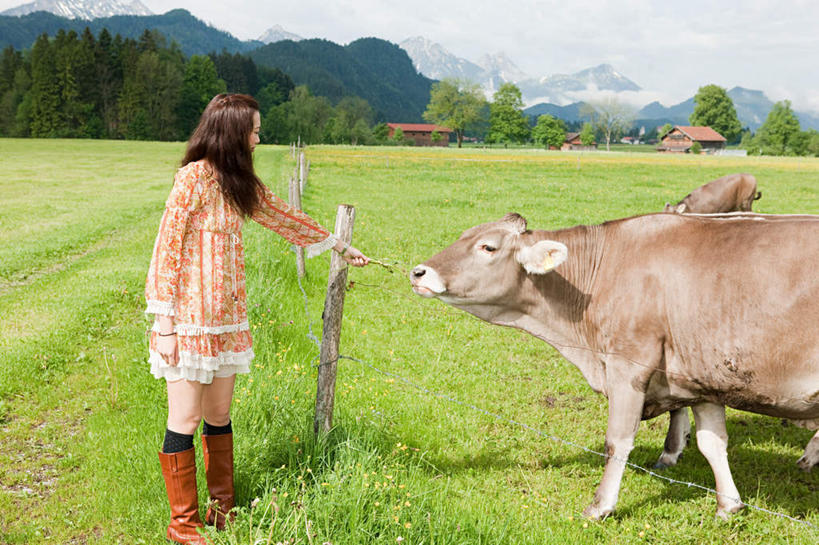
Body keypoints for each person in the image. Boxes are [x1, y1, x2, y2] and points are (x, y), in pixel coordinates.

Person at [144, 93, 369, 545]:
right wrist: (164, 323)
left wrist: (338, 245)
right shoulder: (192, 179)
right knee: (184, 420)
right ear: (233, 132)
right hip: (187, 322)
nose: (258, 137)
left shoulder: (239, 182)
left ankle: (221, 507)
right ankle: (183, 525)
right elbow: (166, 251)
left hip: (226, 319)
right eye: (254, 129)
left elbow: (284, 216)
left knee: (220, 413)